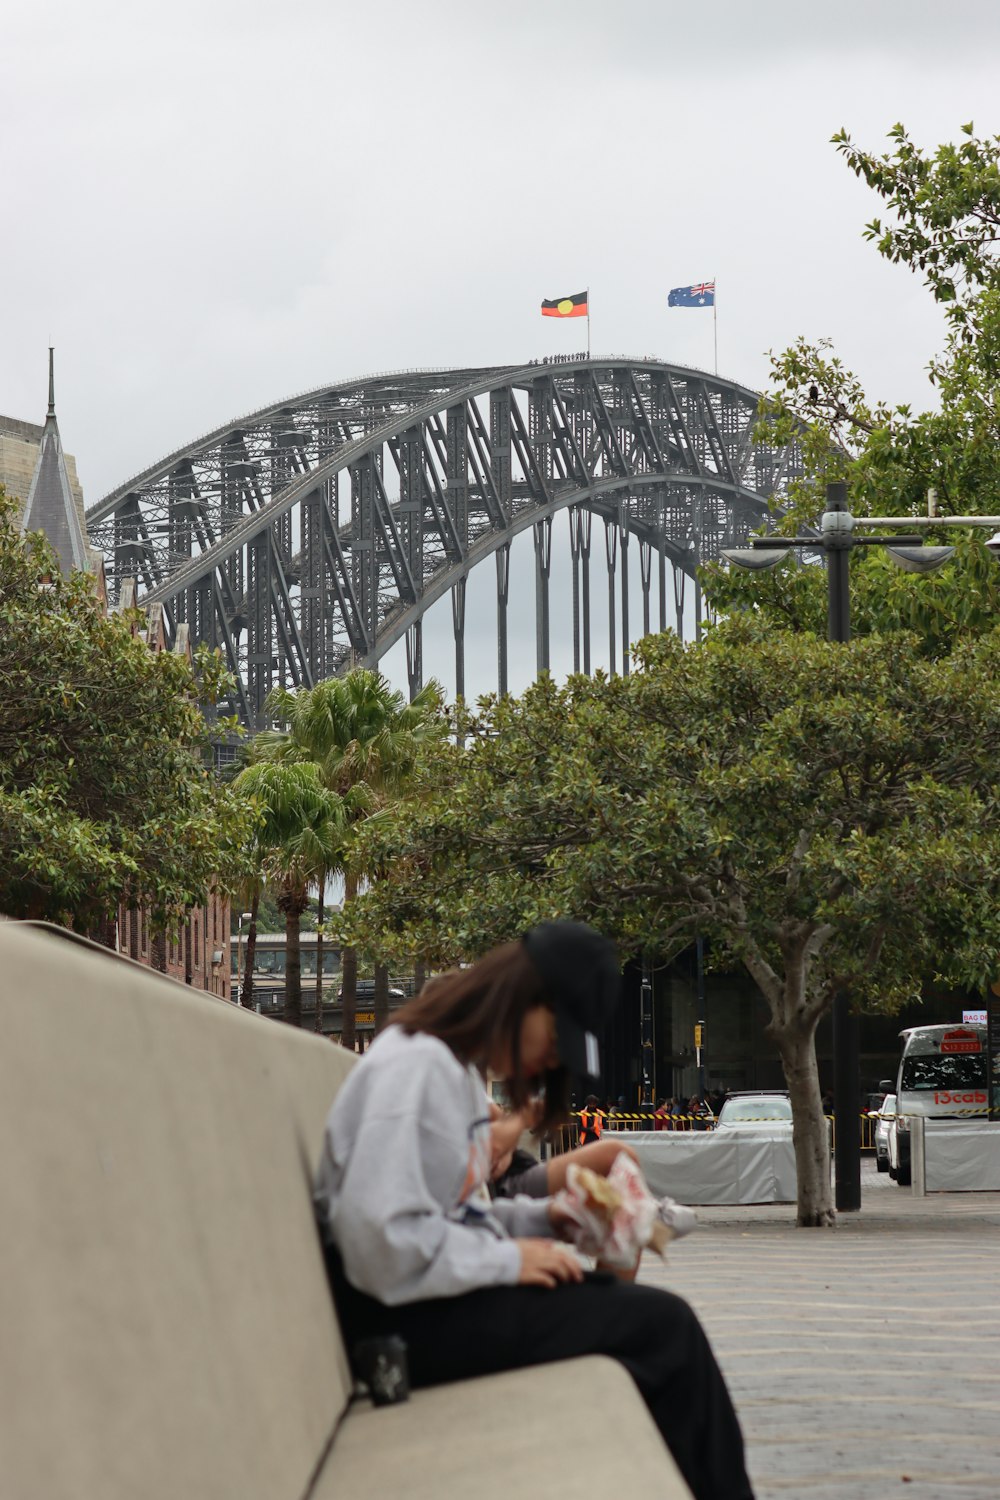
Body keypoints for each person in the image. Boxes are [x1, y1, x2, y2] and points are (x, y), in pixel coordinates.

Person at [315, 920, 754, 1500]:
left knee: (656, 1326)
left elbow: (445, 1219)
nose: (550, 1063)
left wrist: (546, 1221)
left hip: (421, 1305)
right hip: (399, 1324)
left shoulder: (452, 1070)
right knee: (664, 1331)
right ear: (523, 998)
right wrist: (508, 1262)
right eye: (556, 1039)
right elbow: (377, 1239)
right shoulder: (417, 1070)